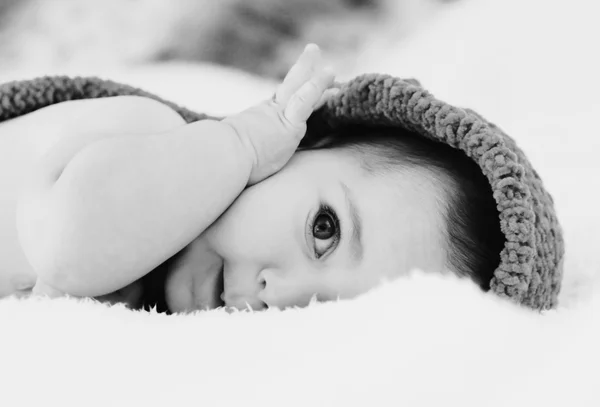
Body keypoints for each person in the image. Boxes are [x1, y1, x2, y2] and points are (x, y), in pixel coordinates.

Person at [0, 44, 504, 313]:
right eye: (323, 229)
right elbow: (69, 244)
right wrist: (240, 143)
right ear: (297, 147)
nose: (281, 295)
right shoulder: (145, 132)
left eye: (321, 316)